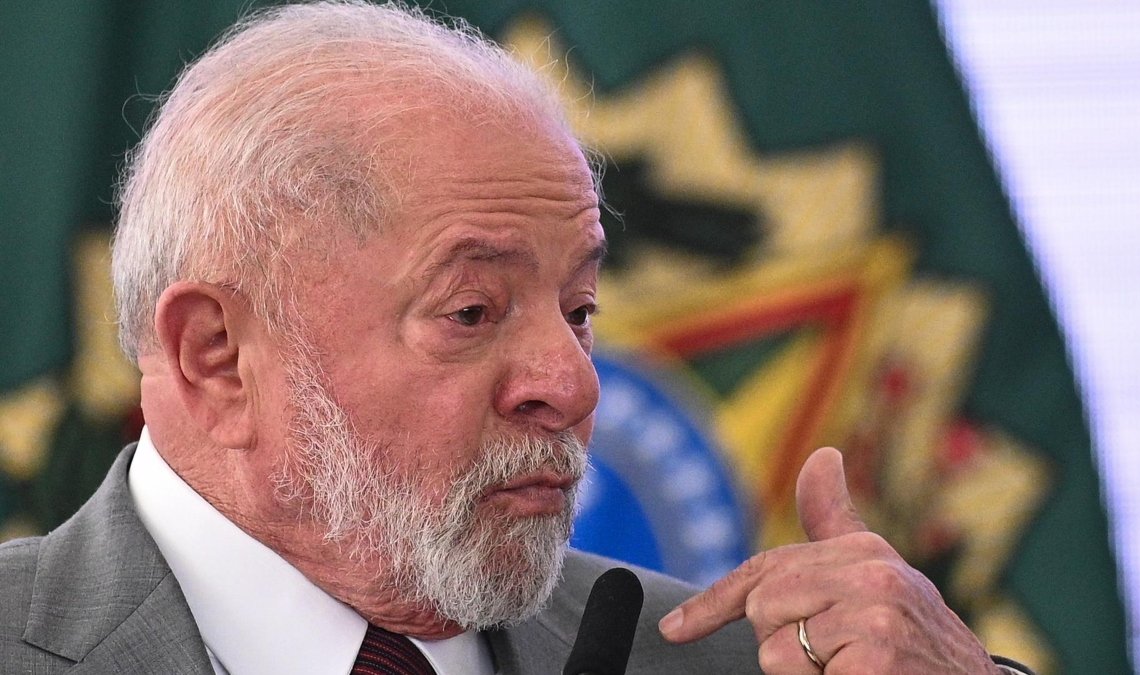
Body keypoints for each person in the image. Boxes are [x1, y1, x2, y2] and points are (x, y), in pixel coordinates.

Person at [0, 2, 1033, 673]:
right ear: (216, 354)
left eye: (579, 312)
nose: (572, 383)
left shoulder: (749, 663)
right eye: (471, 311)